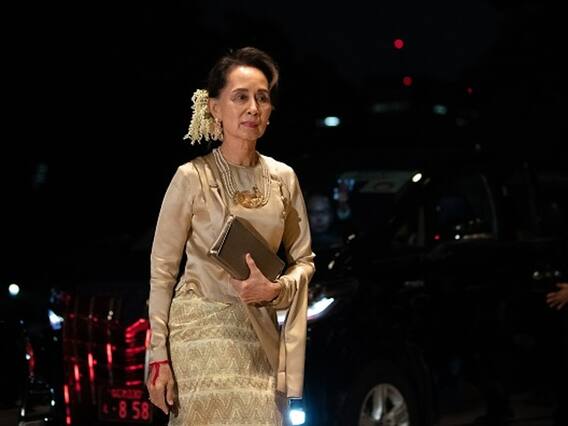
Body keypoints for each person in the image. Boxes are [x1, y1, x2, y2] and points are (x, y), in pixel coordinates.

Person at [146, 47, 315, 425]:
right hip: (199, 331)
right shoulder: (191, 177)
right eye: (240, 97)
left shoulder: (283, 179)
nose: (253, 108)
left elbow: (304, 261)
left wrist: (275, 290)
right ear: (214, 108)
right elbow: (162, 271)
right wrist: (158, 356)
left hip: (260, 332)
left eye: (262, 98)